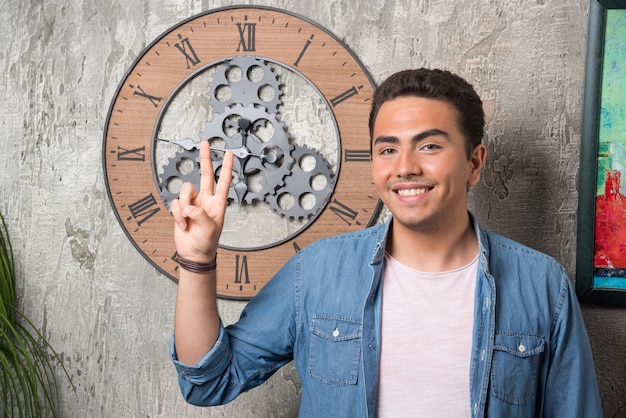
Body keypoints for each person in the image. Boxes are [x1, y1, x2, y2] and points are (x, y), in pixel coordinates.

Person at [169, 68, 603, 417]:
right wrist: (197, 261)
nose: (406, 167)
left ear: (474, 163)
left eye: (429, 145)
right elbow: (207, 382)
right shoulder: (317, 271)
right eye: (388, 149)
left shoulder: (544, 286)